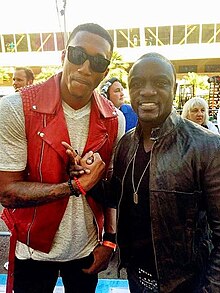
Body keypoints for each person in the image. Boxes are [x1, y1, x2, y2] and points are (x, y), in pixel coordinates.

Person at [0, 22, 125, 293]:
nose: (85, 68)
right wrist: (73, 187)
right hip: (33, 251)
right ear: (63, 56)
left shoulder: (115, 119)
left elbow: (112, 188)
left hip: (87, 249)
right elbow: (7, 192)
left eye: (97, 61)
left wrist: (110, 241)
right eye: (78, 55)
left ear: (105, 71)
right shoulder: (15, 108)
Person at [109, 52, 220, 292]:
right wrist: (85, 176)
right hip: (137, 278)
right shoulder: (125, 144)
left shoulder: (207, 146)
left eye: (160, 83)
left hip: (188, 283)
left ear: (174, 87)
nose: (147, 91)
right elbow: (116, 197)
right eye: (137, 83)